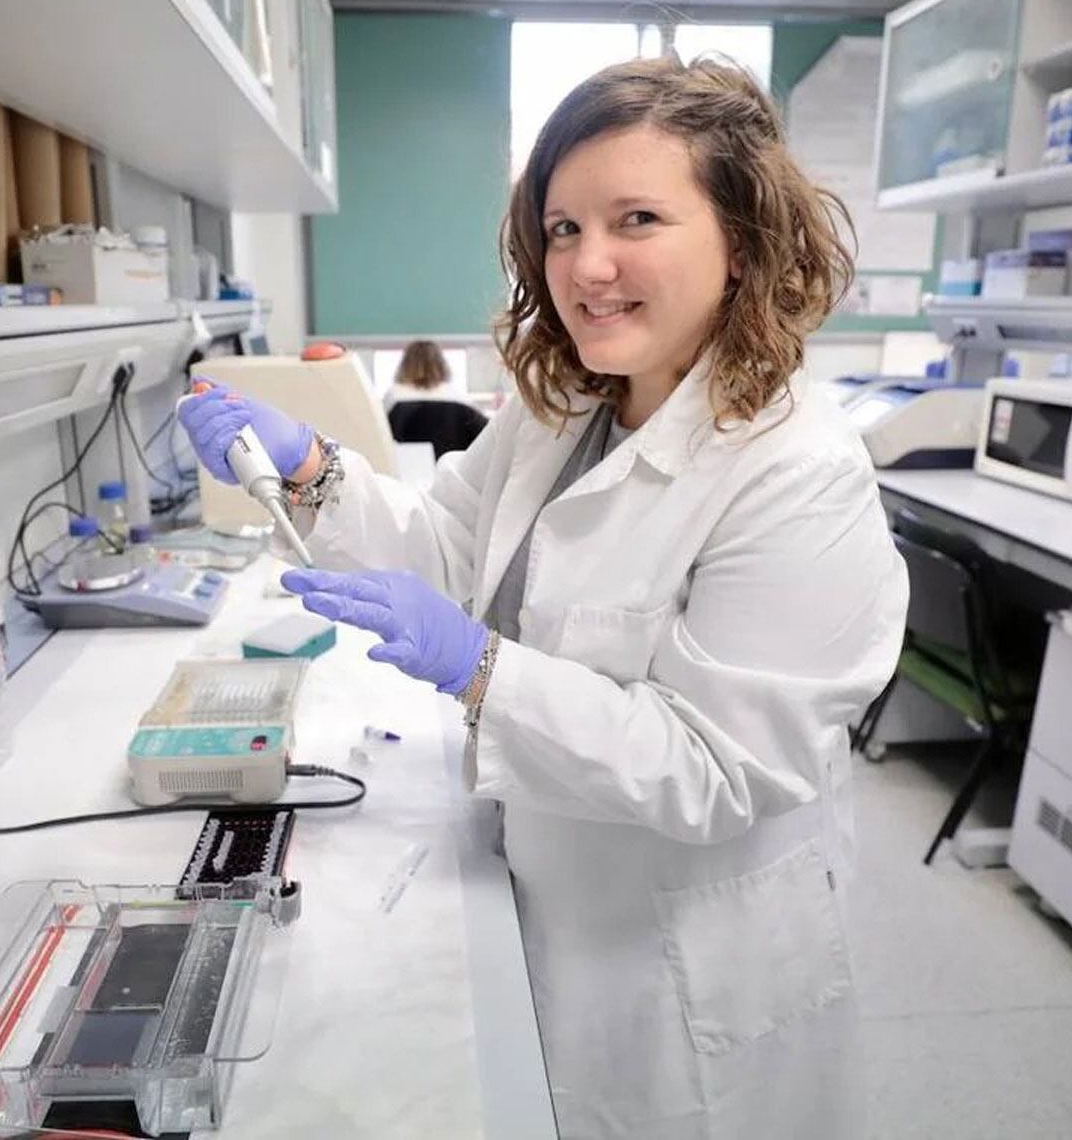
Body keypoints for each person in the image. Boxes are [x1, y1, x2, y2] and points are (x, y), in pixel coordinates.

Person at [177, 56, 907, 1138]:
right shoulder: (560, 408)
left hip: (686, 948)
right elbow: (444, 549)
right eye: (563, 229)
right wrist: (309, 470)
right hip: (546, 878)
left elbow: (715, 767)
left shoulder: (800, 471)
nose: (588, 265)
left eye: (637, 219)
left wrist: (479, 670)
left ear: (743, 242)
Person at [383, 340, 487, 457]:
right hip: (452, 470)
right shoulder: (459, 398)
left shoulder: (393, 397)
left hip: (405, 470)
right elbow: (486, 439)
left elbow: (379, 438)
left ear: (405, 365)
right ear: (441, 364)